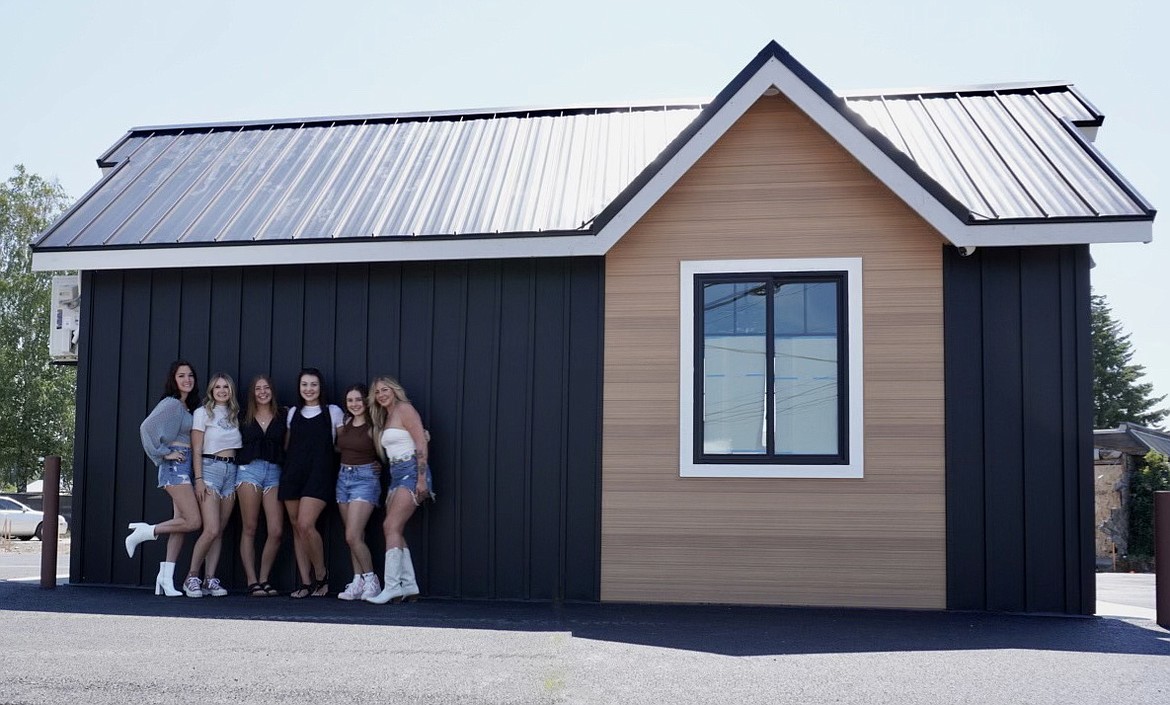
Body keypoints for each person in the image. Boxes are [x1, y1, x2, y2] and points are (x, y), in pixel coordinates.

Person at [126, 360, 204, 597]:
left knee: (179, 524)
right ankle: (146, 532)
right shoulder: (171, 404)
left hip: (183, 469)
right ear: (174, 379)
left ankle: (166, 578)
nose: (187, 380)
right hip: (174, 470)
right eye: (182, 376)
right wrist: (164, 453)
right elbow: (146, 427)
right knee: (194, 521)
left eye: (190, 375)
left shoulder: (184, 406)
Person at [366, 376, 433, 604]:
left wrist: (422, 478)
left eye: (385, 390)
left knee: (390, 526)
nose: (381, 394)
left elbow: (421, 442)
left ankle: (392, 586)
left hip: (412, 471)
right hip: (396, 474)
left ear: (394, 390)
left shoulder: (405, 409)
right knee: (395, 529)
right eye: (377, 392)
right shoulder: (386, 417)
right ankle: (410, 585)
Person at [281, 368, 344, 598]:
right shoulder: (293, 413)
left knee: (306, 524)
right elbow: (288, 446)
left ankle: (321, 576)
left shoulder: (333, 412)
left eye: (313, 384)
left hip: (320, 474)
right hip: (292, 475)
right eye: (304, 384)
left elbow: (344, 444)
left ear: (321, 387)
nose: (309, 389)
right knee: (297, 527)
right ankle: (306, 583)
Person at [184, 373, 243, 597]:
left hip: (231, 471)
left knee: (220, 530)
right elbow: (196, 449)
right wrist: (198, 479)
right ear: (211, 390)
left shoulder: (234, 414)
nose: (221, 391)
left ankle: (210, 579)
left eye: (225, 387)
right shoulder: (202, 413)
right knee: (211, 529)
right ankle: (191, 577)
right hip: (210, 469)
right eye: (217, 387)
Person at [235, 375, 286, 597]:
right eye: (258, 388)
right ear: (252, 392)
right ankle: (252, 580)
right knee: (250, 527)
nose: (263, 392)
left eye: (266, 388)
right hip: (249, 470)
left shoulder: (283, 414)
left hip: (274, 471)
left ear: (272, 391)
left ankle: (264, 578)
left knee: (275, 530)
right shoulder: (242, 416)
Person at [334, 384, 383, 601]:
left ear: (366, 401)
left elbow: (387, 451)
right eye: (350, 400)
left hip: (365, 480)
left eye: (358, 400)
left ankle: (372, 581)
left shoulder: (375, 427)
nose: (354, 404)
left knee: (352, 535)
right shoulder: (345, 423)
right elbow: (340, 447)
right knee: (355, 536)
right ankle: (357, 581)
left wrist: (380, 465)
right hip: (343, 479)